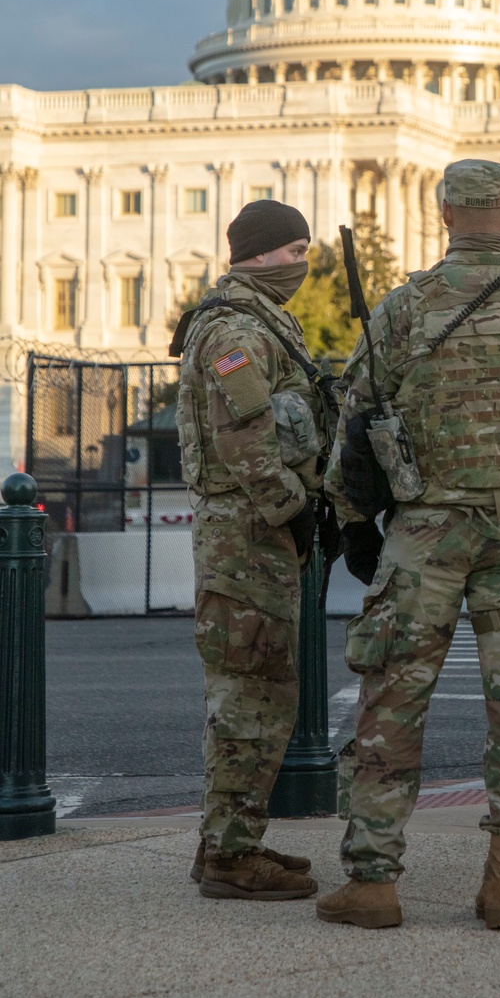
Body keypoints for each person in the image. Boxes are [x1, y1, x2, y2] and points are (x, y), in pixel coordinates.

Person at [315, 159, 500, 932]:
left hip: (426, 532)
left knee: (394, 696)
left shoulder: (404, 308)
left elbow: (358, 426)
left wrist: (356, 523)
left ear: (444, 214)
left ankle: (373, 880)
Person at [174, 199, 324, 901]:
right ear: (262, 254)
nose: (303, 264)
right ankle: (232, 857)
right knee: (251, 695)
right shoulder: (235, 327)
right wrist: (290, 511)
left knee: (259, 688)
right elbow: (244, 438)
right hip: (247, 534)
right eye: (296, 251)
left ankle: (228, 844)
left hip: (246, 530)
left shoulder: (259, 319)